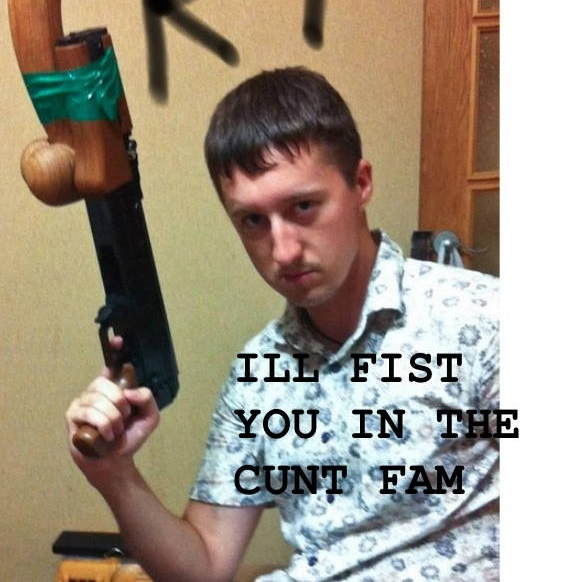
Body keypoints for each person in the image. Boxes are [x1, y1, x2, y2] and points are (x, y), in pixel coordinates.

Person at [65, 67, 500, 582]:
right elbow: (204, 567)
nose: (283, 250)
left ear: (361, 184)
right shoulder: (258, 376)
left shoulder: (483, 321)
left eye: (303, 207)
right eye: (253, 221)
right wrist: (114, 475)